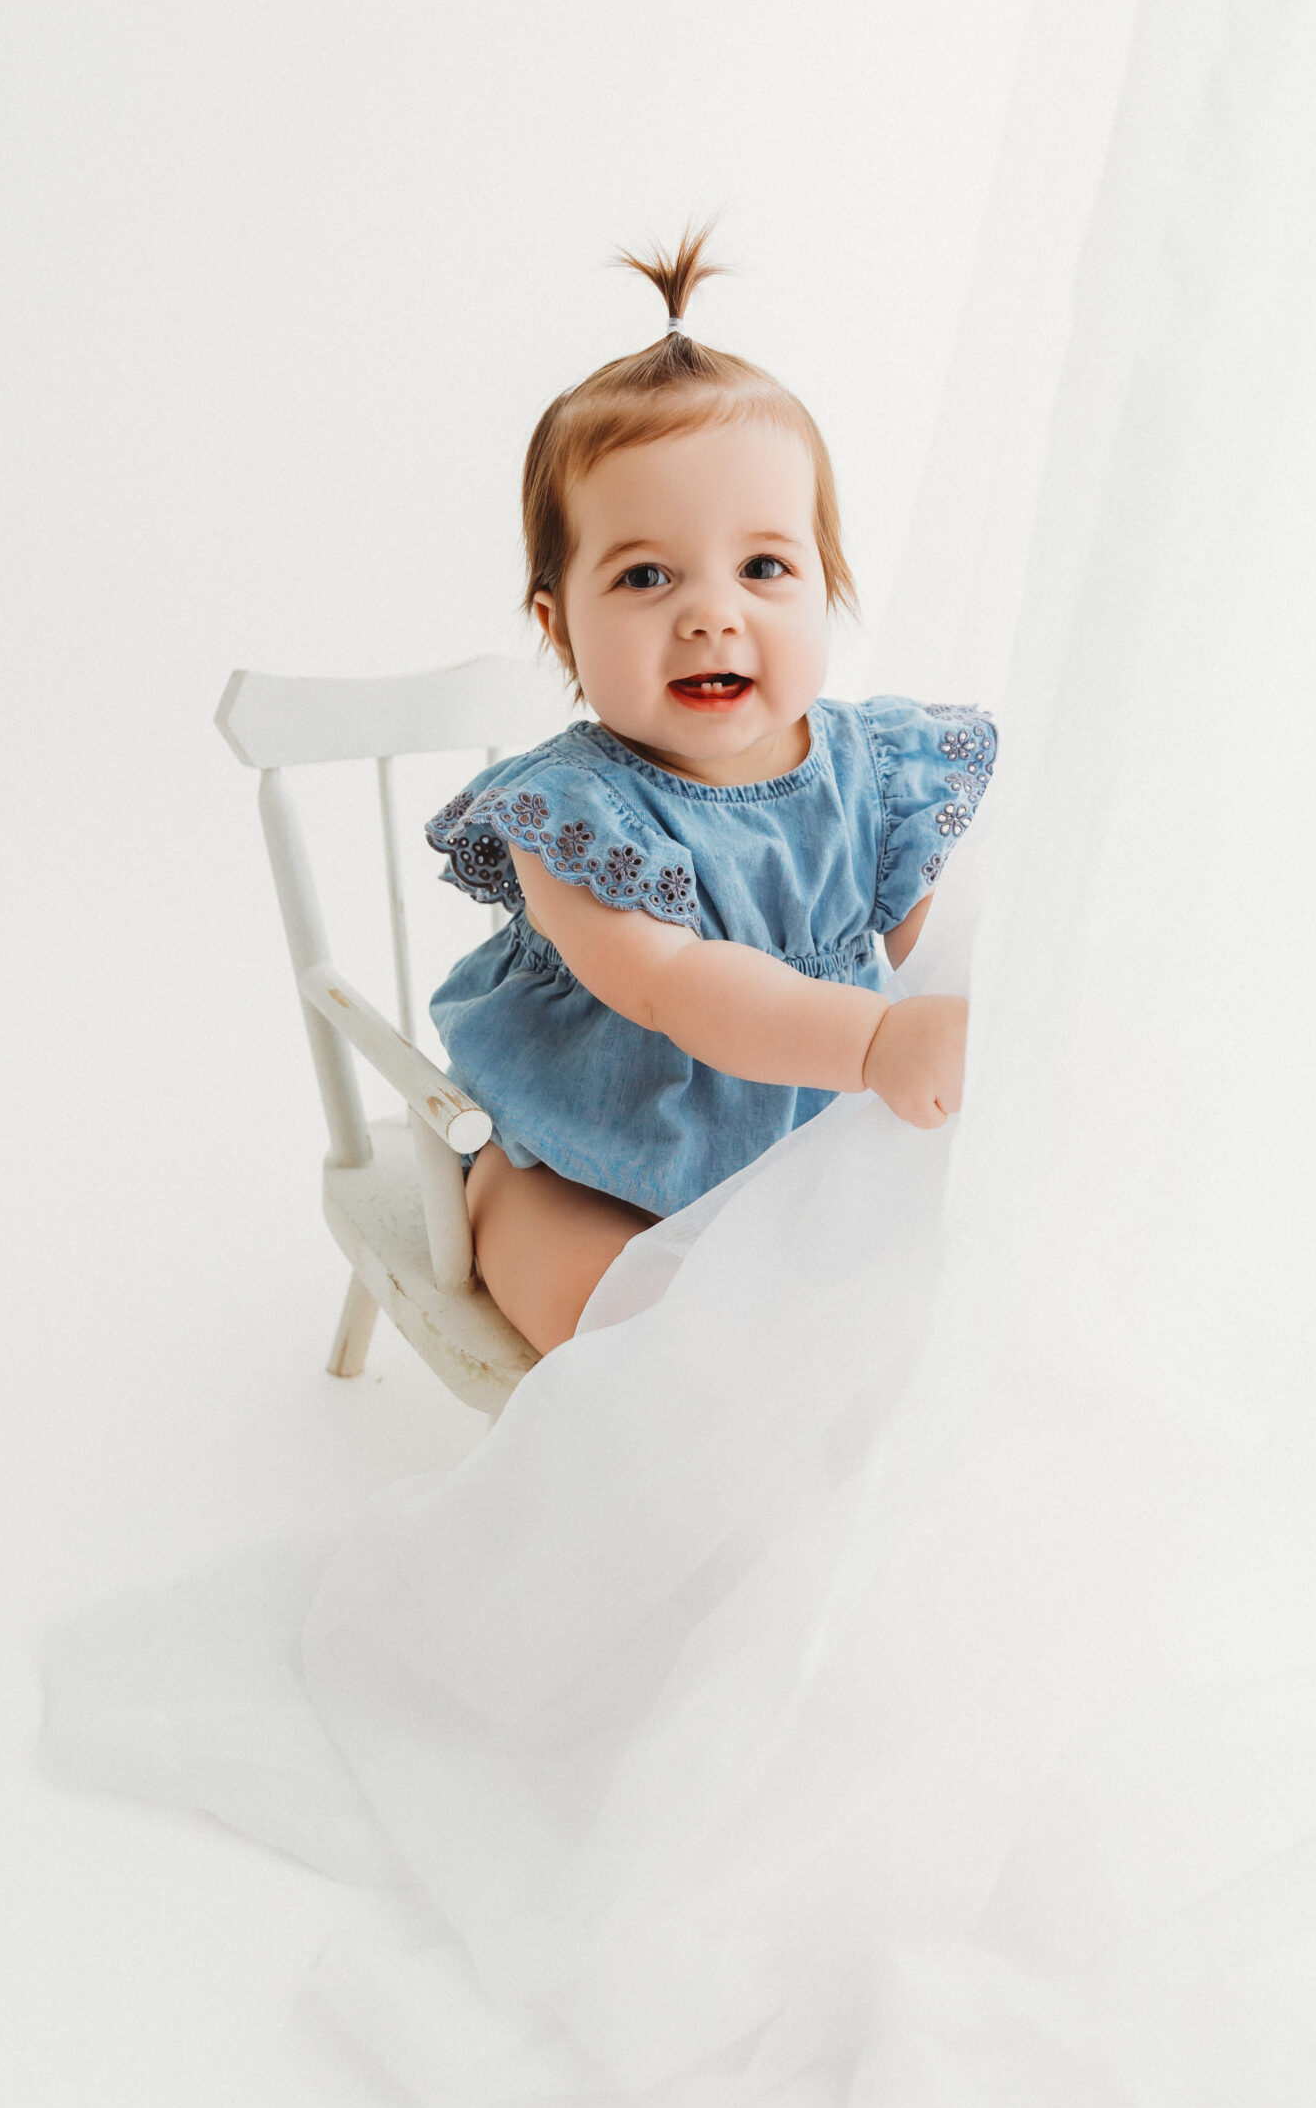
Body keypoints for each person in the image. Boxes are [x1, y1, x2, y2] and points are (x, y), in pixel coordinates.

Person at [425, 227, 996, 1351]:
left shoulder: (877, 775)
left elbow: (940, 946)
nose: (711, 612)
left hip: (797, 1164)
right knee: (603, 1300)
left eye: (764, 566)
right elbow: (675, 986)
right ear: (560, 626)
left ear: (825, 589)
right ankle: (604, 1339)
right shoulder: (571, 818)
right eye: (646, 575)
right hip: (595, 1156)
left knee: (917, 1284)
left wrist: (959, 1016)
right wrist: (877, 1044)